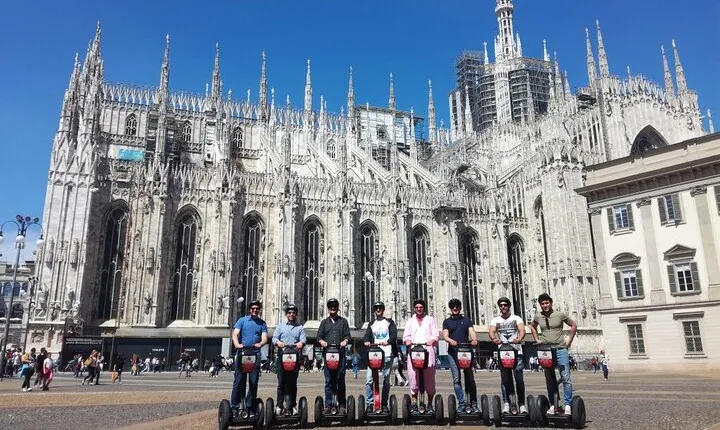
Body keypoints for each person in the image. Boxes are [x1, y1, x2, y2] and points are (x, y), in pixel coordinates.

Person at [530, 293, 577, 416]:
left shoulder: (560, 314)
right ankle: (554, 404)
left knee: (565, 377)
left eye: (547, 303)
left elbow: (573, 325)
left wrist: (569, 342)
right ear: (540, 305)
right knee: (549, 379)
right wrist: (536, 340)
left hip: (560, 349)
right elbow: (533, 327)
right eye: (542, 304)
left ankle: (568, 404)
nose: (545, 305)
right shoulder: (538, 316)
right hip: (546, 351)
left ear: (551, 303)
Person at [489, 296, 527, 414]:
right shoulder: (495, 320)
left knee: (519, 379)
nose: (503, 307)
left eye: (505, 305)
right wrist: (494, 339)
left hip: (516, 352)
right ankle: (507, 403)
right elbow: (491, 331)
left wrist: (519, 339)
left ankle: (521, 404)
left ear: (509, 306)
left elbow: (522, 330)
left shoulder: (516, 318)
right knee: (505, 379)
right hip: (503, 353)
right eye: (501, 305)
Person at [231, 299, 268, 419]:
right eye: (253, 308)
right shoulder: (242, 320)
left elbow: (264, 338)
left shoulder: (262, 323)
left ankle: (250, 406)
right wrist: (237, 344)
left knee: (253, 382)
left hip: (255, 354)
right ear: (249, 310)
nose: (255, 310)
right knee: (238, 381)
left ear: (259, 310)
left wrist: (260, 344)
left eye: (257, 308)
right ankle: (234, 407)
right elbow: (235, 334)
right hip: (242, 352)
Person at [443, 298, 479, 413]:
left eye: (457, 306)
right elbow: (445, 336)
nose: (455, 308)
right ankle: (462, 403)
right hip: (453, 353)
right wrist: (451, 341)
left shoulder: (466, 320)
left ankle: (474, 403)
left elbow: (472, 332)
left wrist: (474, 340)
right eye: (453, 306)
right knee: (456, 378)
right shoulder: (447, 322)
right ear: (450, 308)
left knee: (470, 378)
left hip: (465, 351)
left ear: (460, 308)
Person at [402, 298, 439, 413]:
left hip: (427, 351)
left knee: (429, 378)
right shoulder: (410, 321)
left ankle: (429, 404)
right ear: (414, 309)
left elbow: (436, 335)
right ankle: (414, 403)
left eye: (421, 307)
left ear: (424, 308)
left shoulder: (430, 320)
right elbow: (406, 336)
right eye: (417, 307)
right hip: (414, 352)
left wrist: (432, 340)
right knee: (413, 378)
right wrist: (408, 341)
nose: (419, 309)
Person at [317, 298, 351, 415]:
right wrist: (322, 341)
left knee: (340, 380)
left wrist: (345, 341)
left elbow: (347, 335)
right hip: (328, 355)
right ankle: (328, 405)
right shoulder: (324, 323)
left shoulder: (343, 321)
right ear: (328, 309)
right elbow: (319, 336)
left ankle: (342, 405)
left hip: (340, 355)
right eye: (331, 306)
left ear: (337, 308)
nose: (333, 308)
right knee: (328, 381)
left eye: (335, 306)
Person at [362, 301, 398, 413]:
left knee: (386, 381)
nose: (378, 310)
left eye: (380, 308)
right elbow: (367, 335)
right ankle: (370, 404)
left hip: (386, 354)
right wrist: (366, 341)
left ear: (383, 310)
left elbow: (393, 335)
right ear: (374, 310)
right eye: (376, 308)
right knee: (369, 380)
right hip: (374, 355)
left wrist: (388, 341)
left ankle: (384, 404)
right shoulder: (371, 324)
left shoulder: (389, 322)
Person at [272, 303, 307, 415]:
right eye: (289, 313)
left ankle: (292, 405)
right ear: (286, 314)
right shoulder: (280, 326)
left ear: (296, 314)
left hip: (294, 358)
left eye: (293, 313)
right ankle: (279, 405)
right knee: (281, 382)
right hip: (282, 356)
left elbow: (303, 339)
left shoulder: (300, 328)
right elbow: (274, 338)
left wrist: (301, 343)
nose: (291, 314)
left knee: (292, 382)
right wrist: (278, 342)